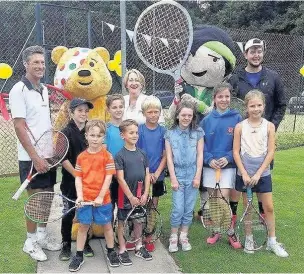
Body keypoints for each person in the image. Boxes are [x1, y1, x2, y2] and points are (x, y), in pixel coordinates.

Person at [9, 45, 61, 261]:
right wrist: (36, 157)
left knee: (47, 196)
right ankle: (30, 242)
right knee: (36, 200)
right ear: (25, 64)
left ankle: (41, 236)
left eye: (42, 62)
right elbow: (19, 127)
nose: (40, 66)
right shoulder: (17, 90)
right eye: (35, 62)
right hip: (31, 158)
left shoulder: (44, 89)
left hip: (48, 154)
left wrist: (50, 152)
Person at [229, 38, 287, 218]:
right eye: (252, 51)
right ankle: (235, 218)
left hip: (263, 141)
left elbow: (281, 105)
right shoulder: (235, 78)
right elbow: (227, 103)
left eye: (259, 51)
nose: (256, 55)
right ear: (245, 54)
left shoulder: (273, 77)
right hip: (242, 140)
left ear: (263, 53)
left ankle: (262, 216)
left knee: (263, 179)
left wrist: (270, 128)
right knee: (239, 179)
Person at [233, 89, 288, 257]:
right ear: (246, 107)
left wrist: (258, 174)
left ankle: (272, 241)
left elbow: (271, 152)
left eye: (259, 105)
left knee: (269, 207)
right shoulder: (240, 126)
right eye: (252, 106)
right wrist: (244, 173)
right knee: (247, 208)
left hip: (262, 174)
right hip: (245, 174)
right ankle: (249, 238)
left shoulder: (269, 126)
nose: (256, 109)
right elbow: (236, 152)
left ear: (264, 106)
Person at [69, 120, 120, 271]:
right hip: (85, 200)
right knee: (83, 227)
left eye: (98, 135)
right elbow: (78, 178)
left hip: (103, 200)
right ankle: (78, 255)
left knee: (107, 226)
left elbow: (108, 178)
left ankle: (111, 252)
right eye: (92, 135)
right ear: (86, 136)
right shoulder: (81, 157)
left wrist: (100, 197)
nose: (95, 138)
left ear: (103, 137)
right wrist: (79, 196)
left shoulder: (108, 156)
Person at [200, 83, 242, 249]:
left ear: (230, 98)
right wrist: (209, 159)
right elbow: (201, 146)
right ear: (214, 99)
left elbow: (239, 145)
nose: (224, 99)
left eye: (226, 96)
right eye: (220, 96)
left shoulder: (237, 118)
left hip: (228, 167)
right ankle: (217, 230)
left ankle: (230, 231)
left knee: (222, 199)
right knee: (214, 201)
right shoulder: (206, 121)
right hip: (210, 167)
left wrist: (228, 157)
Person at [165, 101, 204, 253]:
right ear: (177, 116)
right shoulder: (170, 134)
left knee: (188, 208)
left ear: (193, 116)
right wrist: (173, 178)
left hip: (193, 174)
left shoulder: (198, 133)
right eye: (183, 115)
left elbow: (200, 155)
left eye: (189, 115)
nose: (186, 118)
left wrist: (197, 176)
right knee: (178, 208)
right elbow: (169, 158)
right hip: (178, 175)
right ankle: (173, 236)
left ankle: (184, 235)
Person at [59, 98, 94, 261]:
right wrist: (77, 175)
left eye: (86, 111)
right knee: (68, 213)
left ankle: (85, 242)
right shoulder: (65, 132)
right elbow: (63, 158)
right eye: (80, 110)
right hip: (70, 183)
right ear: (71, 112)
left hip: (89, 183)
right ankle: (66, 244)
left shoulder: (90, 132)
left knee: (85, 213)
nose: (84, 113)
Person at [115, 119, 152, 265]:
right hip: (125, 197)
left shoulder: (142, 153)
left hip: (140, 195)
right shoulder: (119, 155)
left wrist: (145, 193)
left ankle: (138, 246)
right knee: (122, 222)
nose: (135, 135)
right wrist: (130, 196)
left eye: (136, 132)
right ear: (122, 135)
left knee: (138, 221)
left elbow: (147, 174)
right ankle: (123, 250)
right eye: (131, 132)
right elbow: (120, 178)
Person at [137, 95, 167, 252]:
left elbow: (165, 155)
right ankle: (137, 234)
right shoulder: (139, 130)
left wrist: (157, 172)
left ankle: (149, 234)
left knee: (153, 205)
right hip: (142, 175)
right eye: (150, 112)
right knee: (141, 203)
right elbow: (137, 154)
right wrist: (147, 174)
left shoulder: (163, 131)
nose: (153, 115)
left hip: (158, 175)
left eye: (156, 112)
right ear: (144, 113)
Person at [104, 94, 125, 217]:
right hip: (111, 174)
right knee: (110, 206)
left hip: (126, 173)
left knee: (124, 206)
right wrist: (114, 170)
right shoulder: (106, 129)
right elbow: (105, 153)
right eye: (114, 107)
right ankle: (109, 232)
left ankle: (123, 232)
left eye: (121, 107)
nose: (118, 110)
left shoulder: (128, 127)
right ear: (108, 109)